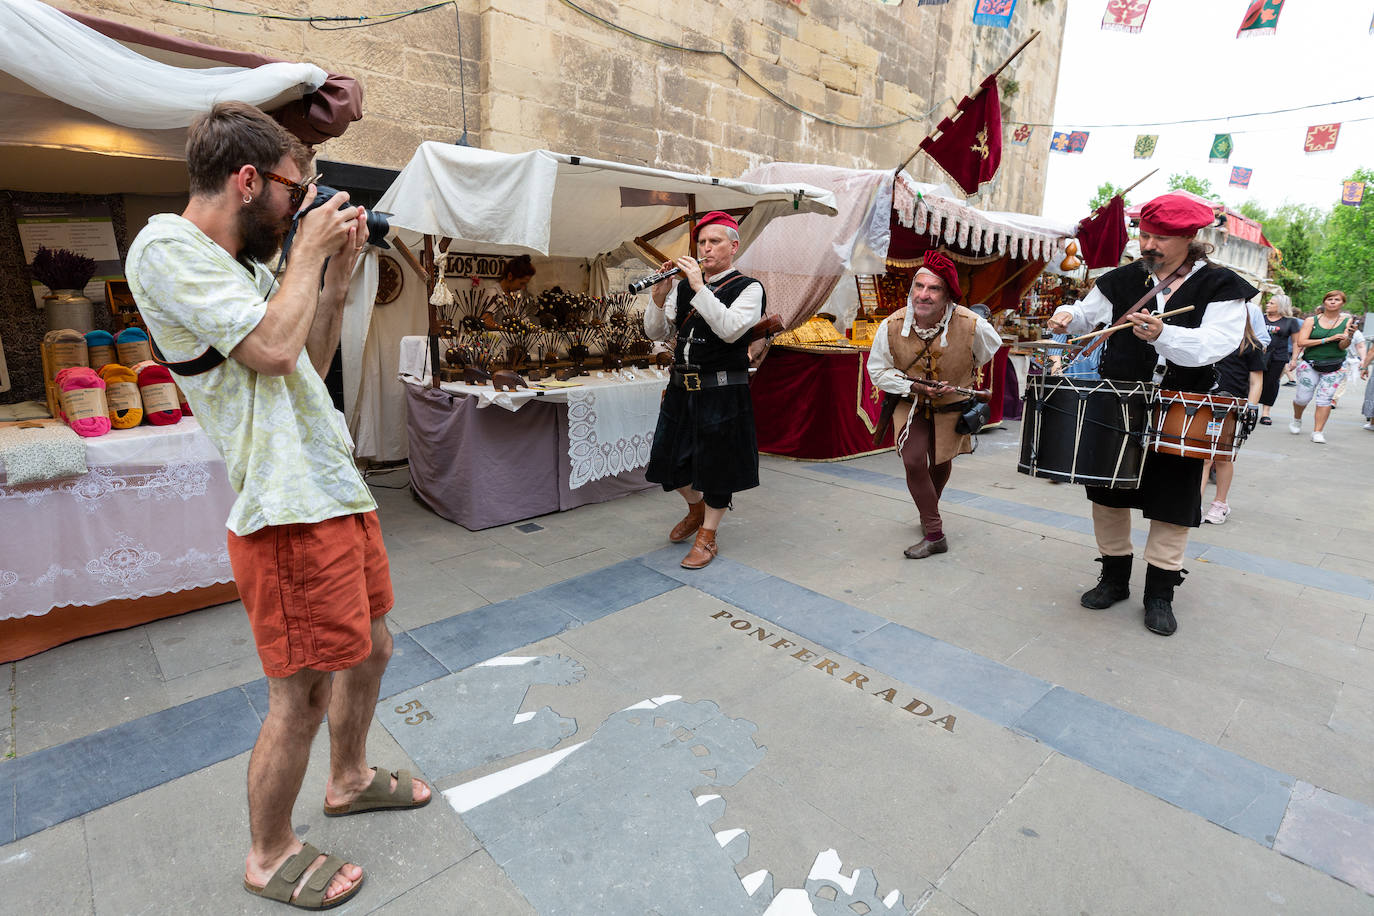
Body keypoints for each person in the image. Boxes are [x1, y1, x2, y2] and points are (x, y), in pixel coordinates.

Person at [126, 102, 429, 910]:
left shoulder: (249, 270)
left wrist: (332, 277)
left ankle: (350, 777)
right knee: (301, 696)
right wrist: (306, 256)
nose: (303, 206)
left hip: (330, 487)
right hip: (284, 509)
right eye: (300, 189)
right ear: (248, 179)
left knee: (372, 648)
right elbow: (266, 348)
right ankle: (268, 853)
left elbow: (305, 358)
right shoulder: (166, 247)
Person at [1047, 192, 1253, 636]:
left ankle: (1160, 592)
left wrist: (1164, 335)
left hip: (1181, 408)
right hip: (1118, 402)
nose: (1149, 244)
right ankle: (1114, 578)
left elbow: (1215, 345)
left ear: (1191, 238)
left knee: (1174, 501)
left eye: (1161, 237)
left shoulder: (1222, 285)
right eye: (1146, 234)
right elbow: (1087, 316)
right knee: (1107, 493)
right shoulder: (1122, 278)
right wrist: (1066, 315)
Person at [644, 211, 765, 569]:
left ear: (733, 246)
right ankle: (696, 510)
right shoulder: (682, 288)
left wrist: (699, 286)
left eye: (715, 242)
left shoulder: (749, 288)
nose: (706, 248)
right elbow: (657, 333)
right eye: (702, 242)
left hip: (722, 391)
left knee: (717, 466)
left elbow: (729, 329)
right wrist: (658, 296)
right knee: (667, 461)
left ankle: (708, 536)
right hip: (681, 389)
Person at [867, 250, 1001, 558]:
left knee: (940, 460)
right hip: (910, 401)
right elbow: (878, 371)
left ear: (947, 295)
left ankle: (928, 511)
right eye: (919, 287)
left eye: (933, 288)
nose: (923, 295)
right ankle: (935, 532)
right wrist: (912, 385)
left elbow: (986, 352)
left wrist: (960, 376)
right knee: (914, 459)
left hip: (952, 405)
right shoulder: (891, 325)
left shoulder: (973, 324)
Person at [1201, 319, 1265, 524]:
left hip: (1232, 406)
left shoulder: (1251, 345)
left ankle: (1220, 504)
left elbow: (1256, 381)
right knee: (1203, 456)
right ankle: (1193, 502)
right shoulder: (1209, 339)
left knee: (1222, 457)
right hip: (1204, 403)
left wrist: (1252, 408)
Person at [1290, 290, 1357, 443]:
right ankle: (1297, 418)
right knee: (1302, 398)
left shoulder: (1347, 321)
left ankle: (1318, 431)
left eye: (1337, 299)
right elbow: (1301, 342)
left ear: (1342, 303)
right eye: (1330, 299)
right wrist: (1328, 339)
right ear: (1324, 302)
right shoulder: (1311, 320)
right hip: (1310, 364)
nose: (1333, 302)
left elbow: (1342, 346)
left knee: (1324, 400)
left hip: (1334, 366)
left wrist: (1350, 336)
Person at [1258, 292, 1302, 425]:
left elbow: (1296, 342)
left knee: (1271, 383)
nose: (1268, 304)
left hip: (1278, 357)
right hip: (1258, 355)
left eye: (1272, 303)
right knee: (1254, 381)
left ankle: (1266, 412)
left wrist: (1294, 359)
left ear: (1280, 306)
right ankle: (1250, 408)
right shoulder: (1260, 318)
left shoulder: (1290, 321)